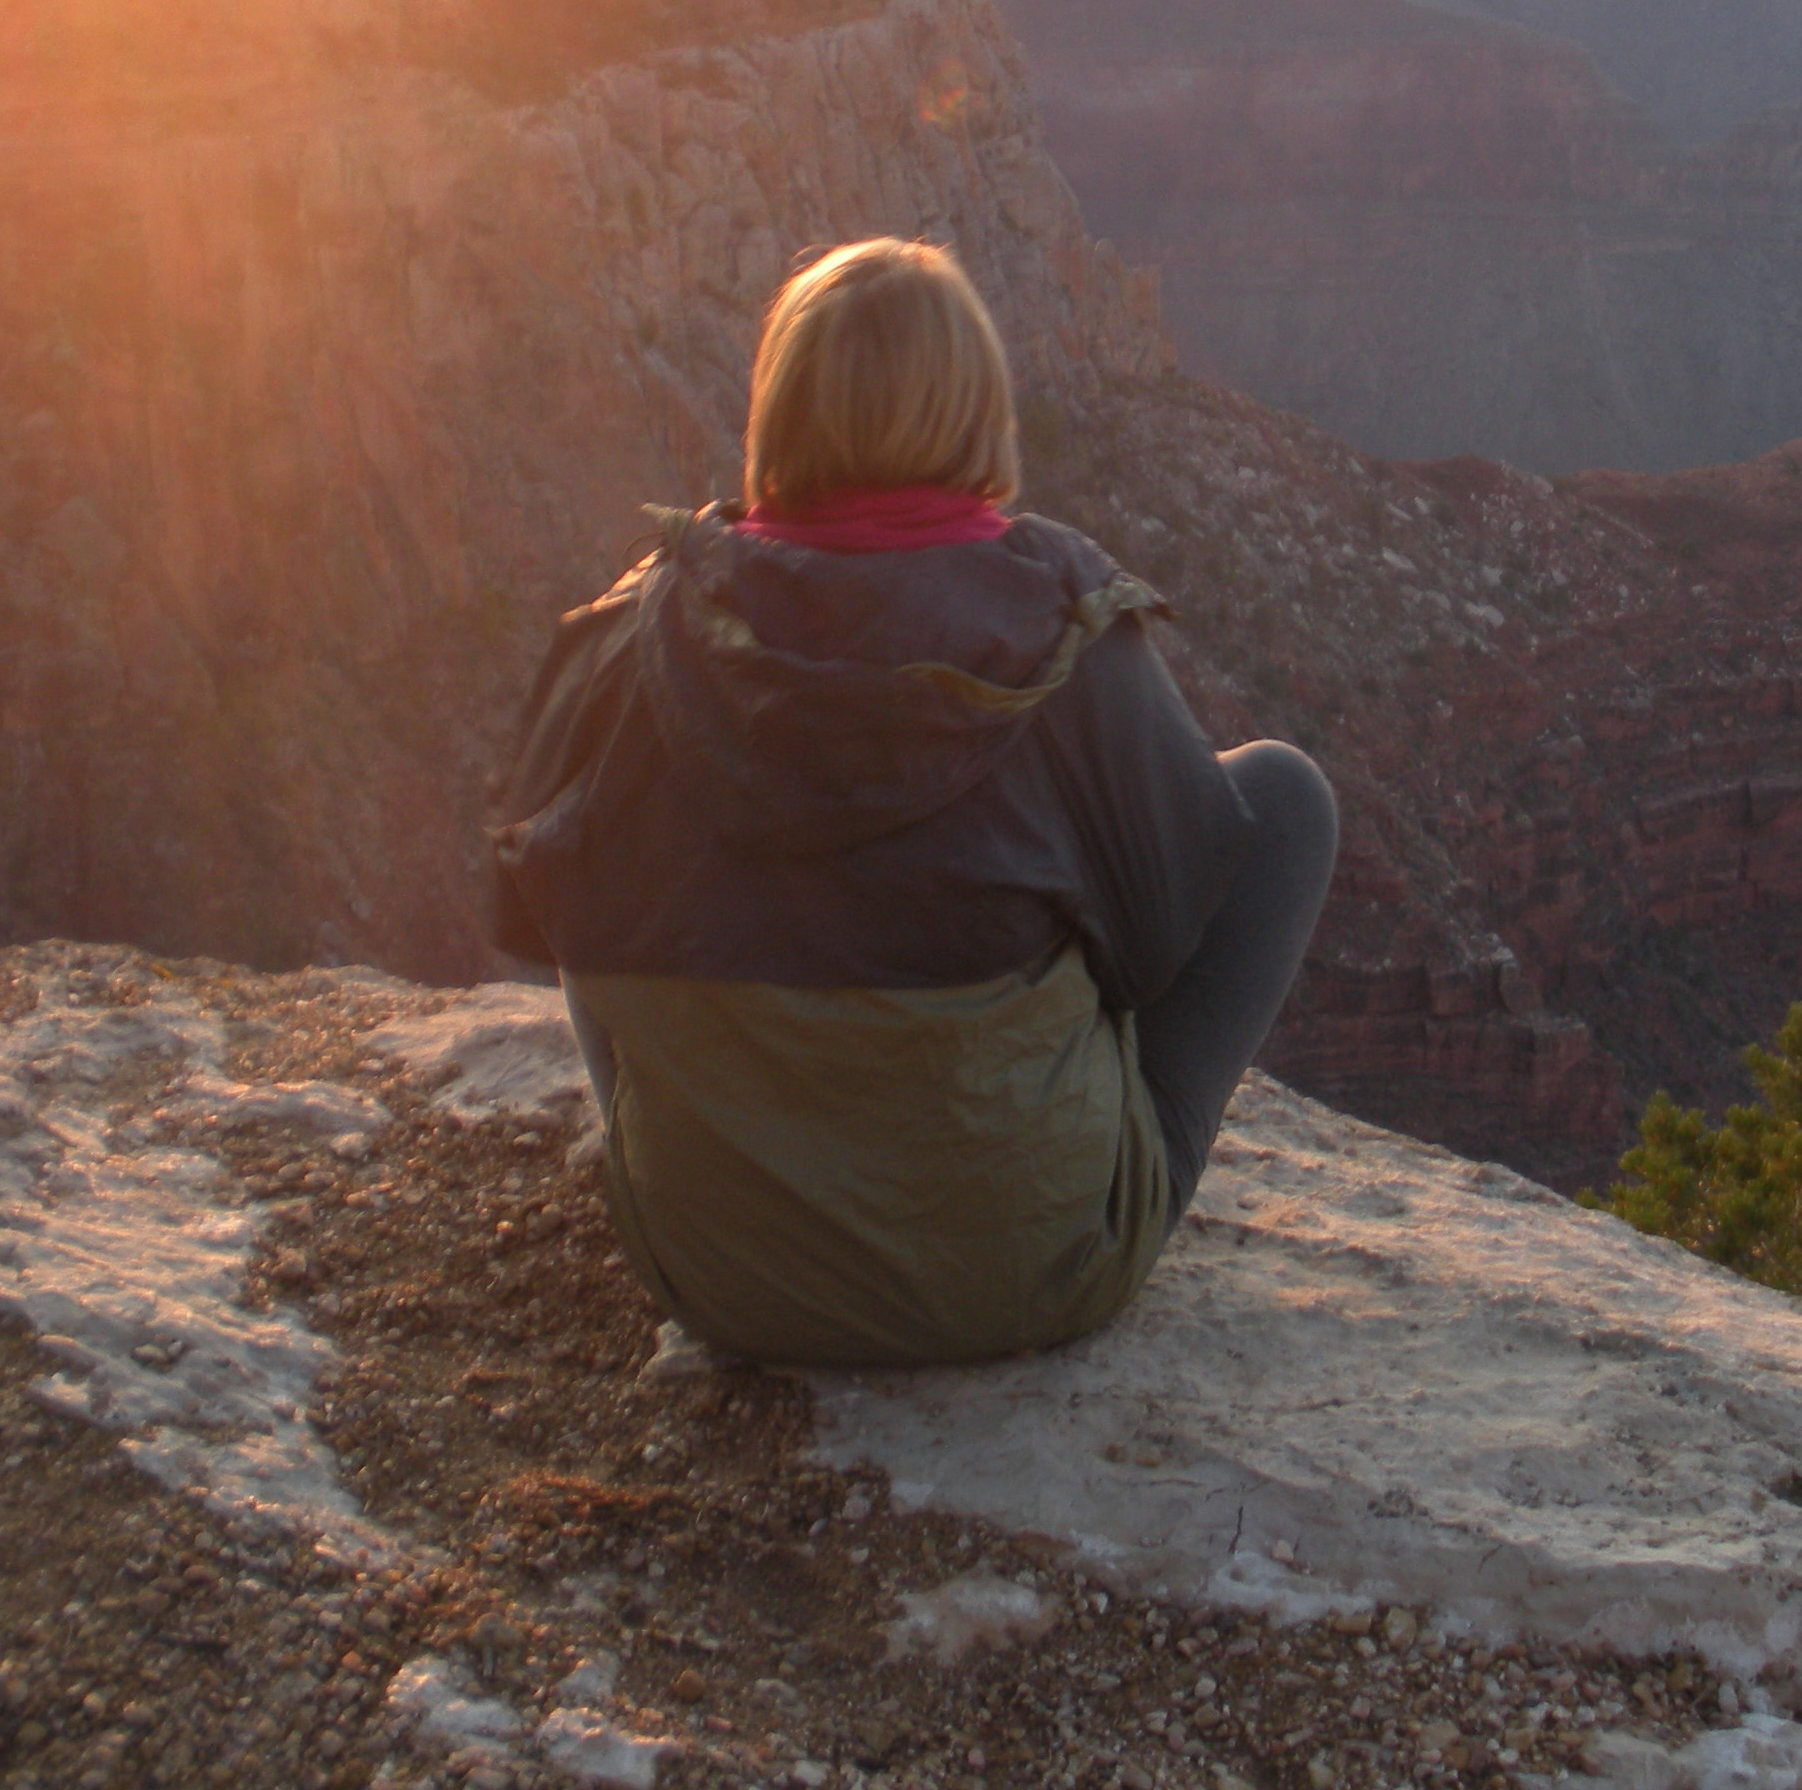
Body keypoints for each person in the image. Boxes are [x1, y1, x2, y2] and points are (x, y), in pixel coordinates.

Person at [486, 237, 1337, 1367]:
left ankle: (707, 1162)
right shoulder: (1060, 618)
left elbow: (520, 912)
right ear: (975, 405)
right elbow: (1155, 951)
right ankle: (1058, 1173)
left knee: (591, 843)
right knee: (1283, 796)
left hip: (724, 1280)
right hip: (1029, 1280)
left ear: (778, 405)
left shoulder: (643, 624)